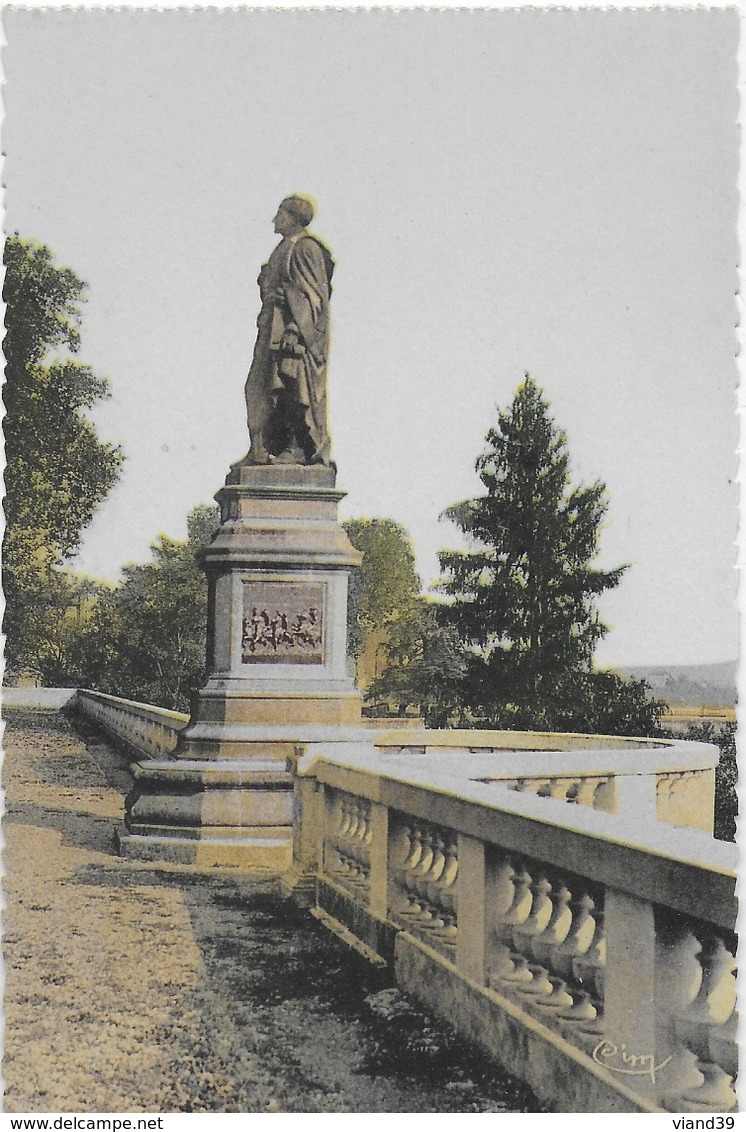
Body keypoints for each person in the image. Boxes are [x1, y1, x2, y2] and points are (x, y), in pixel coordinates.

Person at [244, 196, 334, 466]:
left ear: (293, 217)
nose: (275, 219)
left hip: (291, 332)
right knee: (258, 388)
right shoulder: (284, 247)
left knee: (291, 387)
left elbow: (313, 296)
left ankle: (296, 448)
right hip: (271, 326)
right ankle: (258, 449)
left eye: (280, 214)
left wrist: (295, 329)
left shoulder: (306, 248)